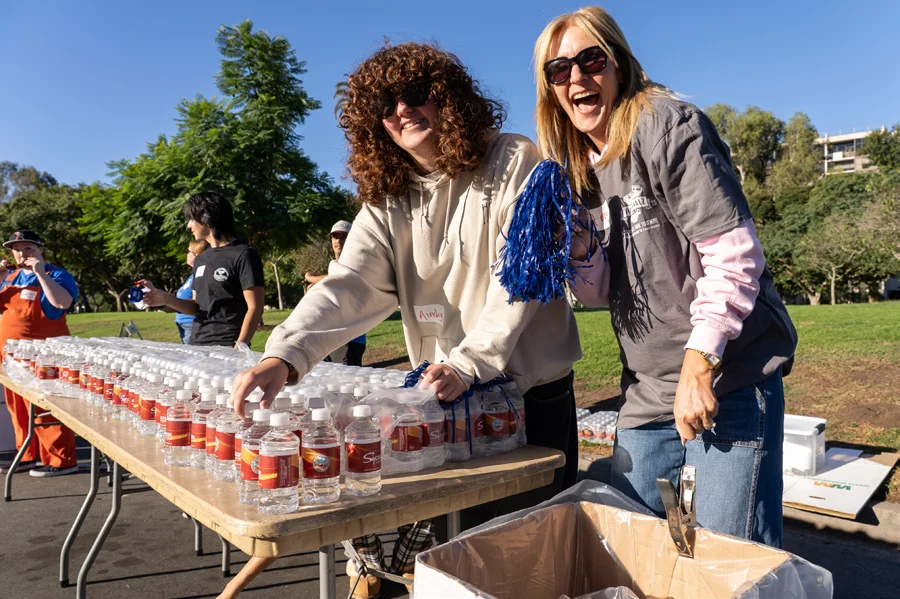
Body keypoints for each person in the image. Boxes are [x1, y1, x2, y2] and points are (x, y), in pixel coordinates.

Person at [225, 42, 581, 599]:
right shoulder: (387, 197)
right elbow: (351, 285)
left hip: (526, 398)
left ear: (450, 100)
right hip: (443, 404)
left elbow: (521, 279)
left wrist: (470, 362)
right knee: (458, 567)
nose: (400, 111)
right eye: (383, 106)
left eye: (416, 95)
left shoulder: (513, 160)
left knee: (527, 568)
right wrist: (285, 355)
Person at [533, 7, 797, 547]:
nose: (577, 78)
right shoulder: (578, 166)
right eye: (560, 70)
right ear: (550, 87)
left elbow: (735, 257)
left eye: (591, 60)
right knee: (632, 550)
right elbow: (603, 293)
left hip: (728, 379)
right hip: (648, 390)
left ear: (620, 65)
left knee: (729, 560)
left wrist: (698, 369)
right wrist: (581, 249)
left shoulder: (668, 125)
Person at [0, 230, 79, 477]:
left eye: (28, 248)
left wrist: (41, 274)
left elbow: (62, 303)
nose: (22, 253)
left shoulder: (57, 275)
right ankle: (27, 454)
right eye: (17, 249)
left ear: (40, 250)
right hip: (10, 356)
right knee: (18, 408)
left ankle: (61, 459)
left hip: (43, 356)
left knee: (46, 406)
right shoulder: (10, 276)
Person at [141, 192, 265, 348]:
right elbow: (196, 307)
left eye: (191, 219)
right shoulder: (200, 260)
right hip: (197, 345)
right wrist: (165, 299)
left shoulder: (244, 254)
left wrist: (239, 347)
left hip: (228, 346)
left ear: (207, 218)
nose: (188, 225)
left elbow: (255, 307)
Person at [305, 220, 367, 366]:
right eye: (335, 236)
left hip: (350, 339)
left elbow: (340, 278)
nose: (338, 240)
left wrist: (311, 278)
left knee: (348, 385)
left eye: (343, 236)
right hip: (330, 337)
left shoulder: (358, 262)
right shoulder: (334, 265)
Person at [173, 240, 209, 344]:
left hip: (192, 325)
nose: (187, 254)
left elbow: (197, 303)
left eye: (188, 251)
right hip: (185, 325)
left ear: (197, 254)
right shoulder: (192, 276)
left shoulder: (200, 275)